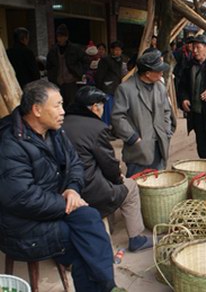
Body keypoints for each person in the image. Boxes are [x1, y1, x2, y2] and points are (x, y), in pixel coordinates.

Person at [0, 80, 125, 292]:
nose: (63, 111)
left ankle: (108, 287)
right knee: (83, 244)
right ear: (37, 110)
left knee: (90, 217)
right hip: (21, 224)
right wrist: (66, 203)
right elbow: (23, 198)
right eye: (57, 105)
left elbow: (75, 164)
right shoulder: (10, 143)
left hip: (55, 206)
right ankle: (107, 287)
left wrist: (73, 190)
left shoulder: (55, 131)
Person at [63, 86, 152, 252]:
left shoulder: (62, 124)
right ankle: (136, 238)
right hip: (87, 188)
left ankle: (108, 226)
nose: (103, 109)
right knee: (130, 186)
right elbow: (109, 164)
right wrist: (119, 179)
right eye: (102, 106)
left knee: (109, 181)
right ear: (95, 107)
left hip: (65, 186)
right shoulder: (96, 128)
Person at [111, 50, 174, 176]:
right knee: (138, 187)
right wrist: (133, 138)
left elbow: (167, 110)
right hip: (139, 150)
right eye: (158, 70)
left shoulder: (160, 87)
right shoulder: (125, 89)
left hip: (159, 144)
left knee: (159, 184)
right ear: (148, 73)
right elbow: (117, 117)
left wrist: (166, 130)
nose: (162, 73)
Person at [47, 24, 88, 109]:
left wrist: (80, 72)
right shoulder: (53, 50)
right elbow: (49, 65)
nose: (60, 39)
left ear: (66, 37)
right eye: (58, 36)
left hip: (71, 81)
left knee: (72, 104)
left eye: (62, 36)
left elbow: (85, 60)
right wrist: (51, 77)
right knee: (59, 104)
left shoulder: (75, 48)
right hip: (57, 81)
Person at [95, 40, 126, 125]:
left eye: (119, 50)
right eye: (116, 50)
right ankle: (105, 128)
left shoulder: (121, 60)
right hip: (107, 89)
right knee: (107, 111)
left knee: (115, 111)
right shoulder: (105, 60)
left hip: (117, 88)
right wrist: (99, 88)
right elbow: (99, 76)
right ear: (111, 50)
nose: (117, 52)